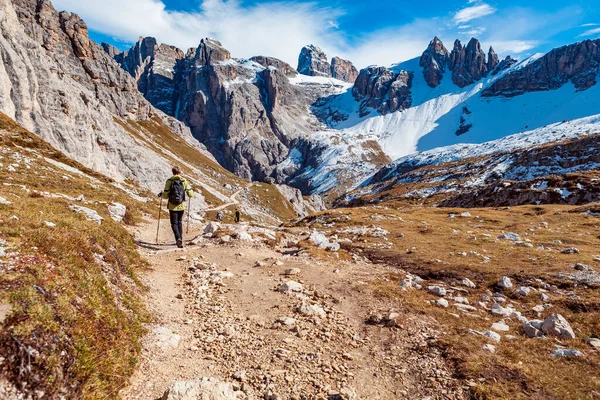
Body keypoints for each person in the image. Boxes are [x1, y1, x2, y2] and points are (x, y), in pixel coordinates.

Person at [158, 166, 194, 248]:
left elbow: (166, 196)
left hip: (172, 206)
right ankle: (180, 239)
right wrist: (190, 189)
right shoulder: (184, 181)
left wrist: (161, 194)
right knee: (179, 222)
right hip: (182, 205)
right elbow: (191, 194)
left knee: (174, 223)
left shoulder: (169, 181)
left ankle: (178, 238)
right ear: (180, 172)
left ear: (173, 172)